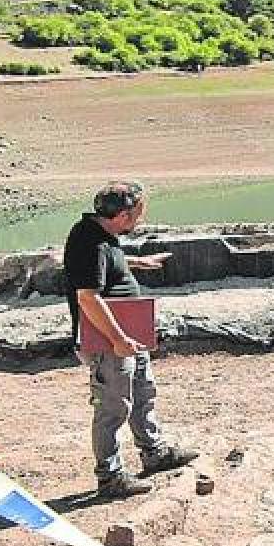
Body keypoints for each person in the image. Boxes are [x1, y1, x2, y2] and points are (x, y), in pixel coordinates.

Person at [63, 181, 196, 498]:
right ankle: (110, 477)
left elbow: (102, 267)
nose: (140, 220)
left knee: (142, 393)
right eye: (137, 214)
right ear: (122, 215)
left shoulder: (102, 236)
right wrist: (117, 338)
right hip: (108, 342)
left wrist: (134, 263)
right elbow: (88, 298)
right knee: (112, 407)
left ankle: (154, 452)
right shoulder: (89, 242)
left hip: (125, 337)